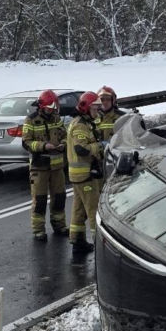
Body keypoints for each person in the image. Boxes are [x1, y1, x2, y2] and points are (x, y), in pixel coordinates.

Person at [21, 89, 67, 241]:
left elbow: (65, 135)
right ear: (42, 106)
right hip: (39, 167)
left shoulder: (56, 118)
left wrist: (63, 144)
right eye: (49, 108)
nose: (51, 111)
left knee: (59, 197)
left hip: (57, 167)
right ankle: (38, 230)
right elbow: (26, 143)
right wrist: (43, 146)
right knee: (40, 200)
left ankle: (59, 225)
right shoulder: (31, 120)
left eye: (53, 108)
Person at [66, 91, 104, 254]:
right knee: (94, 210)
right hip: (85, 174)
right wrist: (100, 146)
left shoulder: (85, 122)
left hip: (79, 175)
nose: (98, 110)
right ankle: (100, 247)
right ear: (87, 107)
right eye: (95, 107)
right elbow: (81, 149)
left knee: (79, 209)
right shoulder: (80, 125)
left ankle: (77, 241)